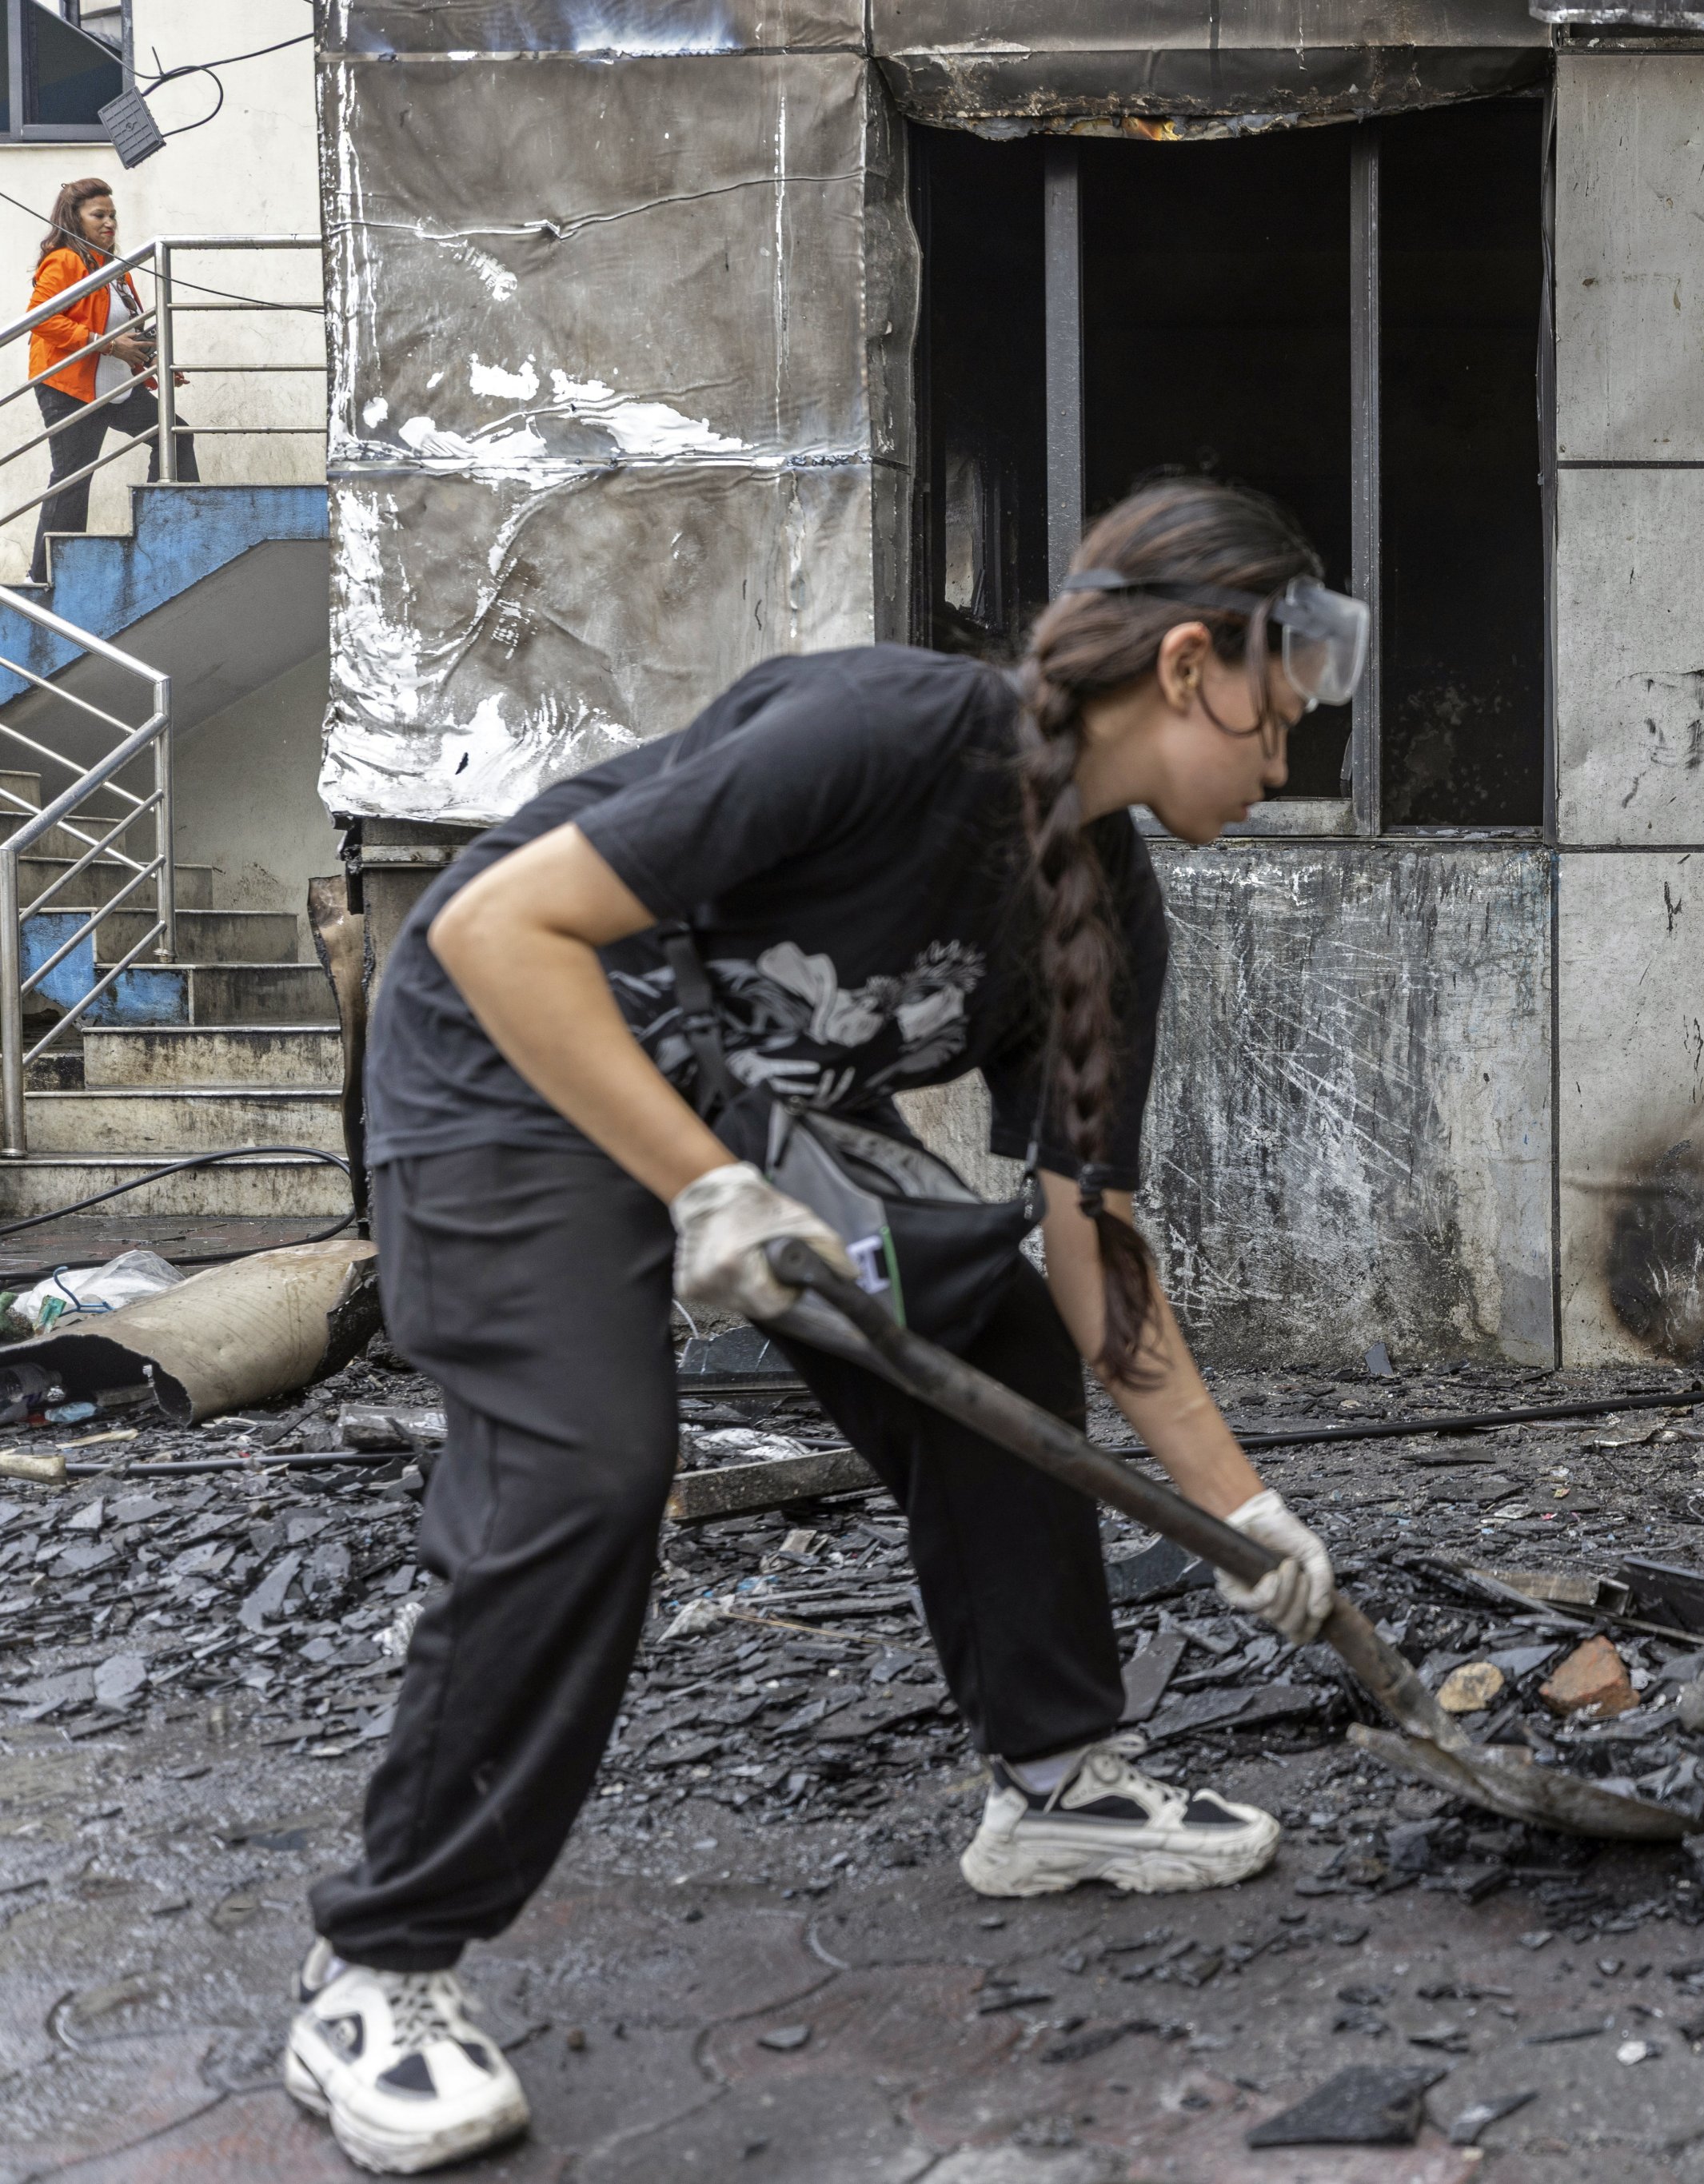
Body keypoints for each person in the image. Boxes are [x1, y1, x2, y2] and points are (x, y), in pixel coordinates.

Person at [282, 477, 1359, 2176]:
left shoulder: (1105, 920)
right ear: (1187, 668)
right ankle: (378, 1966)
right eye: (1279, 725)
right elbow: (496, 927)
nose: (1283, 762)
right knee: (589, 1469)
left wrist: (1242, 1514)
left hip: (741, 1127)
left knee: (991, 1329)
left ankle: (1056, 1779)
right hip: (507, 1068)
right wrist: (703, 1187)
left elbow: (1097, 1255)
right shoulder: (889, 730)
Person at [22, 177, 195, 584]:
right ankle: (42, 576)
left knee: (176, 435)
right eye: (98, 215)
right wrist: (107, 346)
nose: (109, 222)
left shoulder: (115, 268)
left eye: (112, 215)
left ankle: (164, 529)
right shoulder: (64, 261)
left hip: (118, 385)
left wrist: (156, 360)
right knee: (73, 477)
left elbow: (129, 327)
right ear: (73, 218)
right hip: (70, 387)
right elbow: (42, 317)